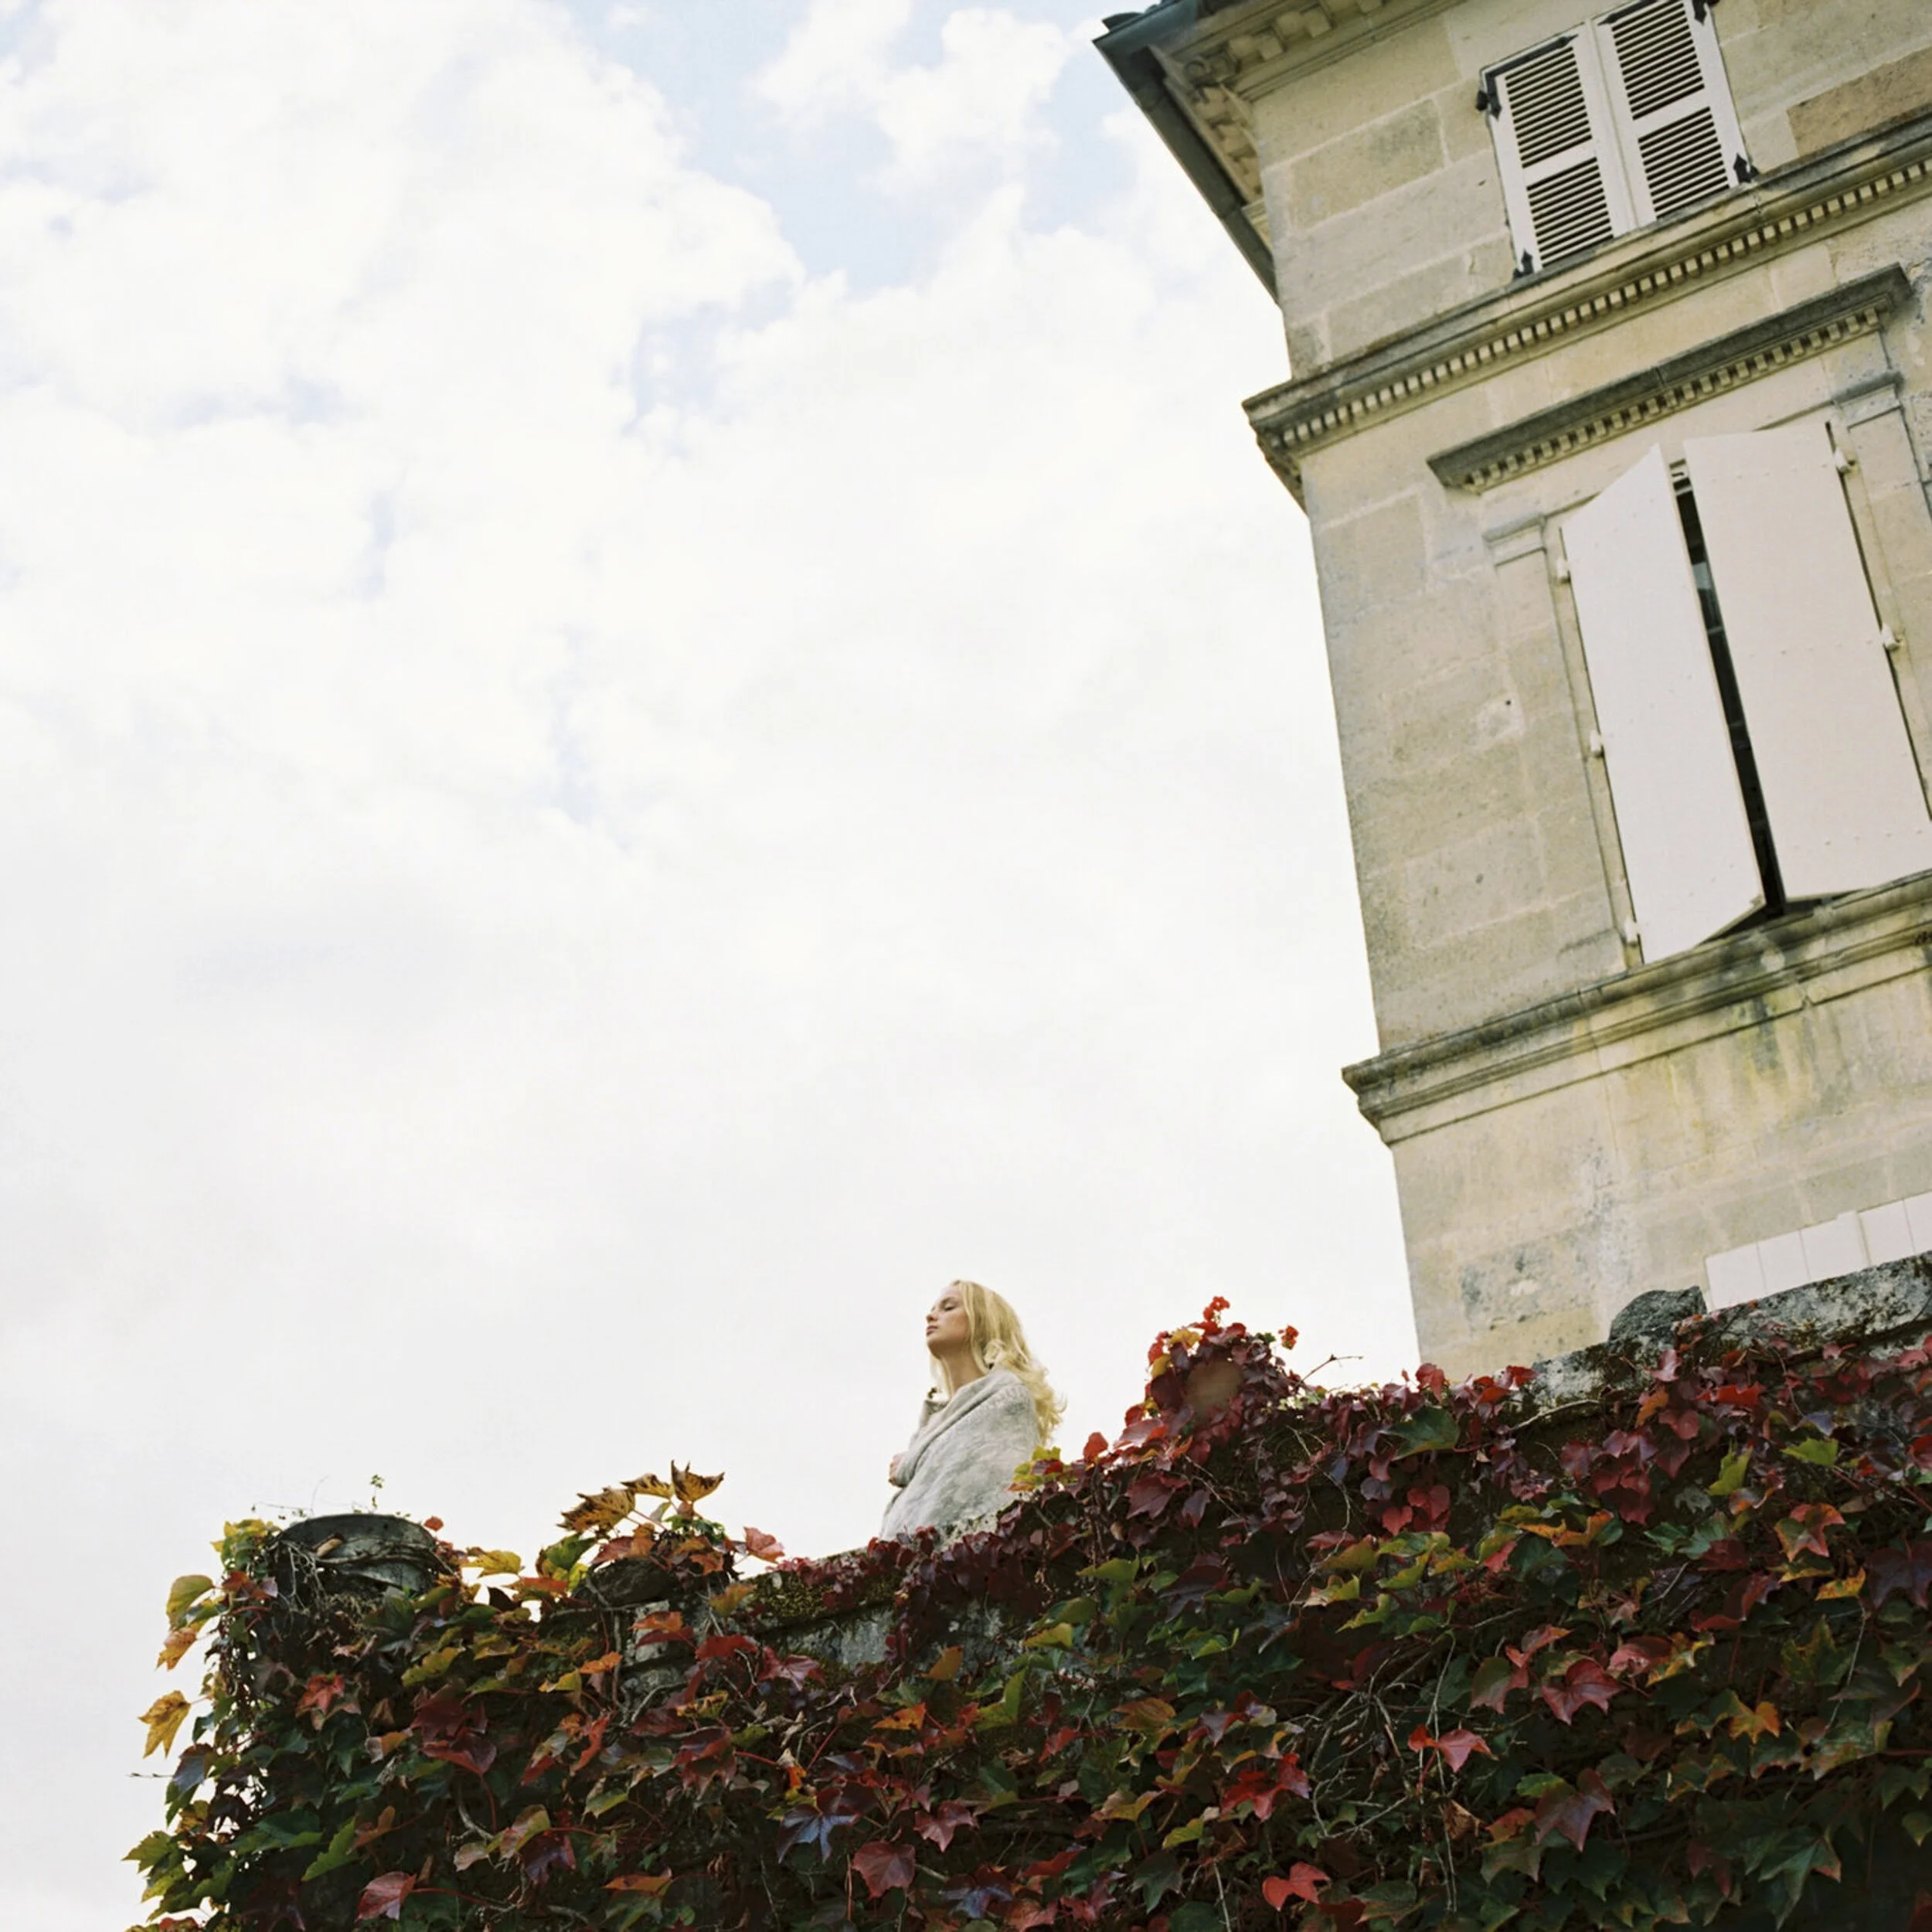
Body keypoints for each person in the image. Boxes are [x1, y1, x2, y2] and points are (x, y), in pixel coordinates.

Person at [880, 1280, 1063, 1541]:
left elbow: (1001, 1493)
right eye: (933, 1309)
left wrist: (913, 1461)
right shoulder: (928, 1430)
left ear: (982, 1322)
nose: (931, 1316)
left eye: (948, 1307)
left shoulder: (1008, 1399)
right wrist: (916, 1459)